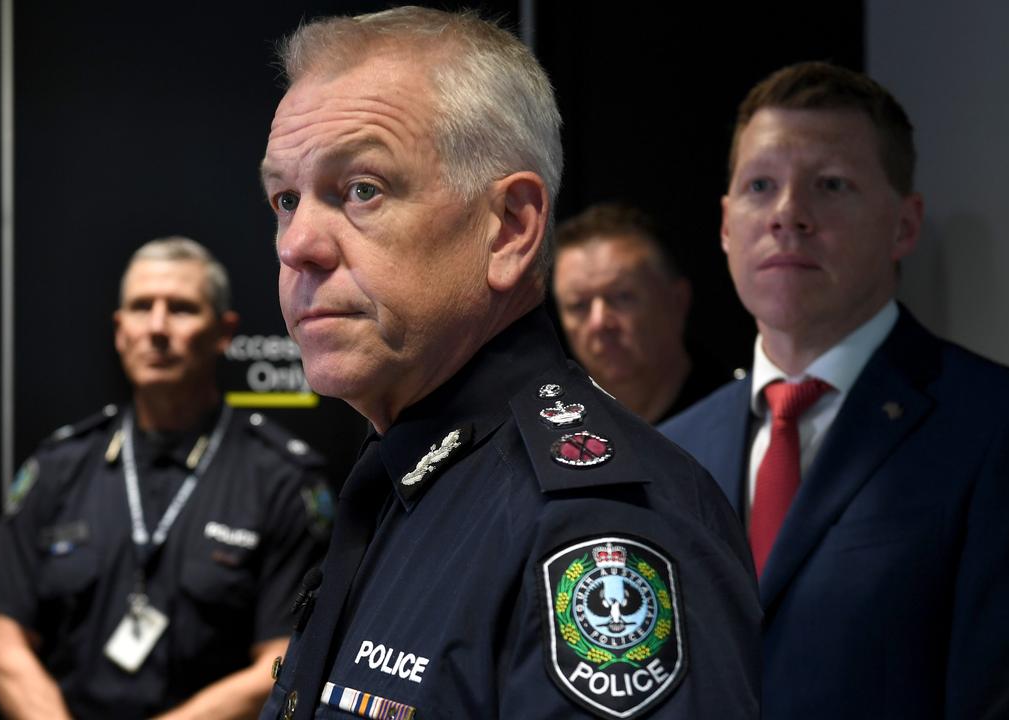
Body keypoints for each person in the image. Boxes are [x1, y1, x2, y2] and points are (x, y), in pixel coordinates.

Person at [258, 8, 759, 719]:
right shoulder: (408, 478)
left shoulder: (593, 527)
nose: (297, 243)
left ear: (511, 229)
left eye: (361, 189)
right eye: (285, 198)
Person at [660, 62, 1009, 719]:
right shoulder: (670, 452)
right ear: (724, 225)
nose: (788, 215)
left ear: (904, 226)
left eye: (831, 185)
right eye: (760, 185)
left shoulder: (1002, 427)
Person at [0, 237, 333, 719]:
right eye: (141, 308)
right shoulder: (60, 466)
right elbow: (2, 646)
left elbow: (284, 659)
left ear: (224, 332)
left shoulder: (283, 479)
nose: (157, 328)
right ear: (119, 330)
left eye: (180, 309)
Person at [552, 202, 728, 423]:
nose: (599, 322)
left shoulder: (737, 418)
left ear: (677, 301)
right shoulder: (552, 428)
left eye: (622, 297)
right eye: (578, 305)